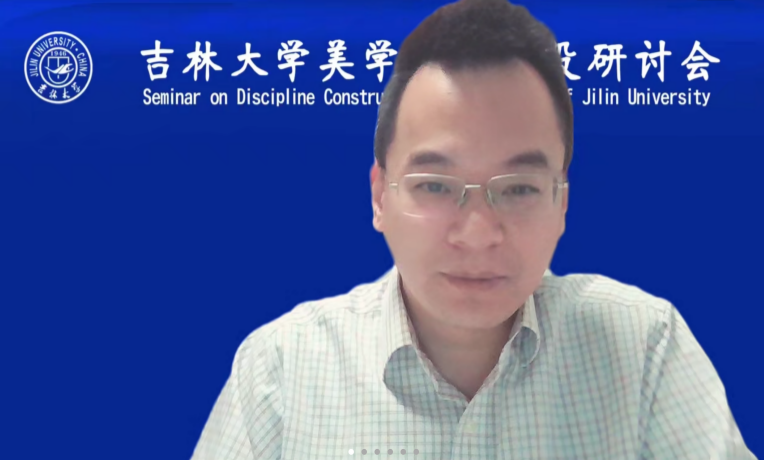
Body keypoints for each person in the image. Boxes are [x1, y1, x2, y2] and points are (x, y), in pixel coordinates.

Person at [191, 0, 757, 458]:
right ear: (379, 196)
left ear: (562, 203)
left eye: (519, 189)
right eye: (436, 186)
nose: (478, 233)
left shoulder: (645, 346)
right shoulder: (281, 368)